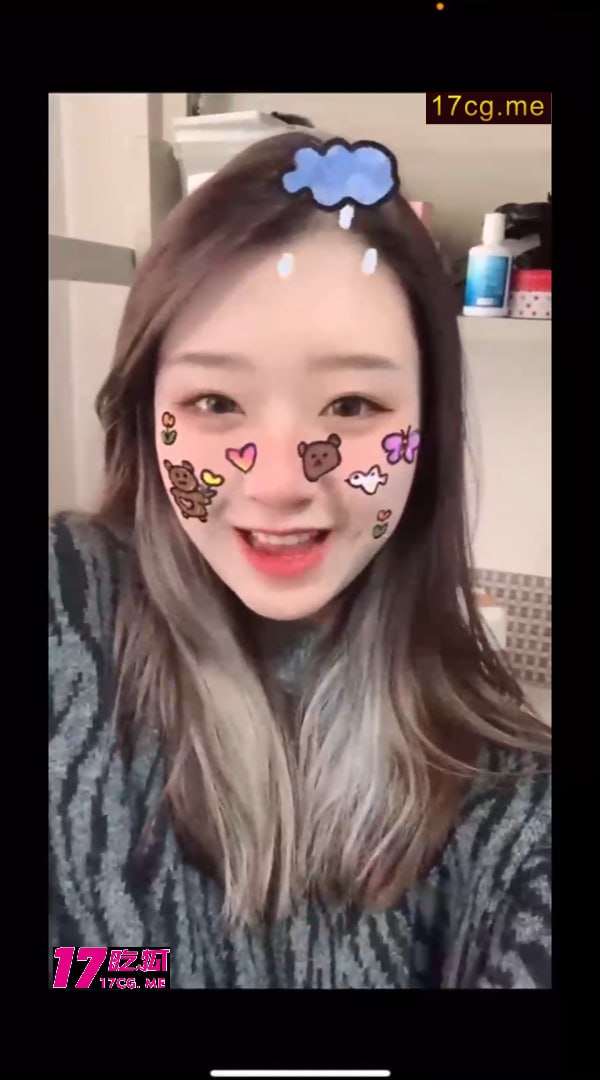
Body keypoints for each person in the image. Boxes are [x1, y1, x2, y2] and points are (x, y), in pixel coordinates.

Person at [49, 130, 551, 989]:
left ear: (429, 429)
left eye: (351, 405)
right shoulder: (66, 623)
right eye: (215, 401)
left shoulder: (509, 799)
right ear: (144, 413)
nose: (280, 483)